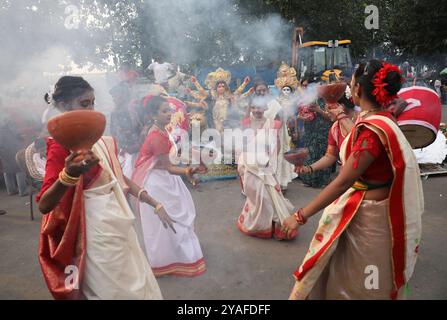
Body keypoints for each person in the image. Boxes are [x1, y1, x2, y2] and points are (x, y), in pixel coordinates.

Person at [283, 60, 423, 300]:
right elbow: (333, 155)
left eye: (351, 84)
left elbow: (343, 181)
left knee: (364, 286)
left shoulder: (371, 129)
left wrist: (300, 215)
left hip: (371, 220)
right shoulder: (380, 119)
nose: (348, 88)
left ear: (358, 90)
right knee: (342, 274)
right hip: (359, 212)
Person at [37, 76, 172, 300]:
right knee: (111, 290)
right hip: (92, 234)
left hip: (118, 225)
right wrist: (69, 174)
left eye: (92, 103)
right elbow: (44, 204)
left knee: (135, 285)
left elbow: (119, 179)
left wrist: (153, 202)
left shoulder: (101, 140)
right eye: (84, 104)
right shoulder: (60, 146)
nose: (91, 109)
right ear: (62, 107)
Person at [132, 96, 206, 277]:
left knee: (171, 222)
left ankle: (171, 257)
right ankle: (172, 260)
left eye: (170, 110)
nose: (169, 114)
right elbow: (168, 167)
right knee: (168, 223)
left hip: (163, 179)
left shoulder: (161, 130)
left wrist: (189, 163)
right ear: (152, 114)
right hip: (159, 183)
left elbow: (170, 158)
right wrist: (188, 171)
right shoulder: (157, 136)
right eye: (164, 111)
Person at [237, 96, 297, 240]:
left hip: (265, 165)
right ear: (250, 108)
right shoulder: (245, 123)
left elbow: (276, 144)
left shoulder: (273, 124)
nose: (257, 110)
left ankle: (272, 225)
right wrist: (241, 165)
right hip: (249, 165)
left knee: (268, 196)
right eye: (254, 107)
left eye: (260, 107)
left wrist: (270, 164)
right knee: (255, 196)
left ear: (266, 108)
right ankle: (259, 224)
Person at [296, 95, 356, 176]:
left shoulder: (361, 121)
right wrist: (309, 168)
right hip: (348, 176)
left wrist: (340, 115)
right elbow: (330, 156)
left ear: (341, 107)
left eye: (329, 109)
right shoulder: (335, 128)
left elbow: (359, 137)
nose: (326, 113)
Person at [297, 88, 334, 188]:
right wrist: (301, 117)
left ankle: (323, 181)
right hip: (310, 132)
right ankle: (310, 180)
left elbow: (331, 117)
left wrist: (319, 110)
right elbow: (300, 114)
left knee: (323, 155)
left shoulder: (328, 101)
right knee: (311, 155)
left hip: (323, 133)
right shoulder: (307, 100)